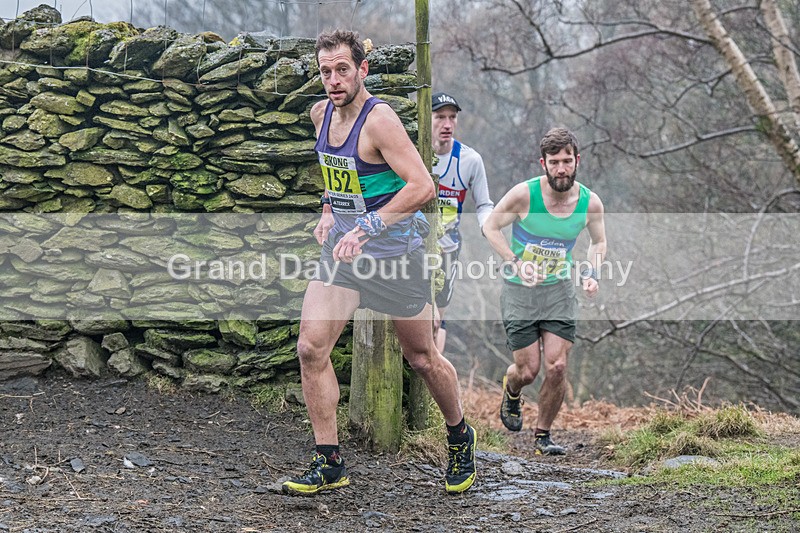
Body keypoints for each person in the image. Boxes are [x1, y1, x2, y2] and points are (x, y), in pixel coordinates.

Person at [281, 30, 477, 496]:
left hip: (394, 258)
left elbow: (422, 187)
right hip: (343, 258)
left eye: (342, 69)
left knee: (422, 357)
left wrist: (367, 227)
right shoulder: (318, 115)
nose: (333, 80)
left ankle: (459, 435)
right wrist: (329, 213)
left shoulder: (380, 121)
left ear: (362, 70)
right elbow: (335, 174)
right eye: (325, 71)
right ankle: (329, 461)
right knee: (310, 348)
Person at [482, 127, 606, 455]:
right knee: (528, 370)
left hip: (559, 291)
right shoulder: (525, 195)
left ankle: (543, 436)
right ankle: (512, 392)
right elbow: (490, 226)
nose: (561, 168)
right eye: (555, 162)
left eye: (567, 161)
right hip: (520, 291)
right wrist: (514, 261)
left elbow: (599, 241)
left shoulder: (590, 202)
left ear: (577, 161)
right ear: (543, 164)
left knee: (557, 366)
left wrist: (592, 272)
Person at [430, 92, 494, 354]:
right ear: (427, 118)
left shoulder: (470, 160)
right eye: (440, 117)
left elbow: (484, 204)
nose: (447, 124)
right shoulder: (409, 151)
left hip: (448, 248)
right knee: (420, 315)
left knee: (437, 321)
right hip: (411, 247)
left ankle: (429, 387)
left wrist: (488, 227)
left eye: (452, 118)